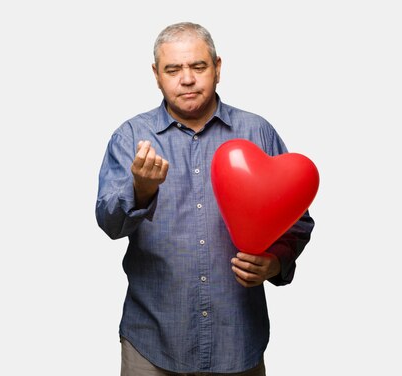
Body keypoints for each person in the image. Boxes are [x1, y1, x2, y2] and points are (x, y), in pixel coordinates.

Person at [95, 22, 315, 375]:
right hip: (152, 341)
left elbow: (298, 221)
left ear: (217, 68)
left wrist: (276, 260)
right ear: (156, 74)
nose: (187, 79)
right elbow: (109, 223)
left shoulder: (257, 132)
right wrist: (141, 190)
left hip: (237, 340)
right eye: (173, 69)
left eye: (198, 66)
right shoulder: (131, 136)